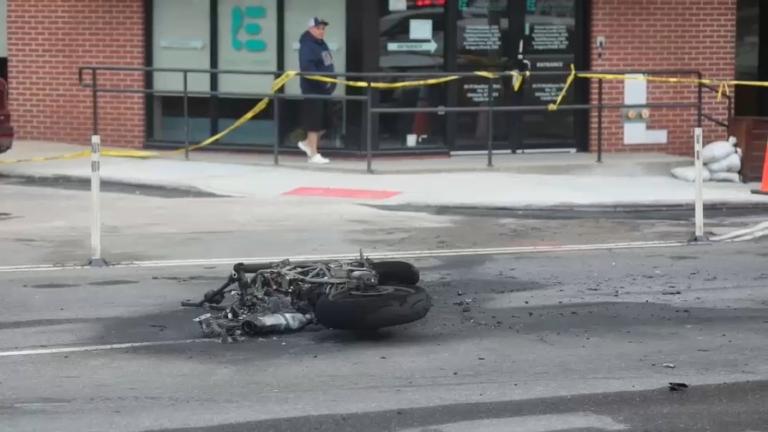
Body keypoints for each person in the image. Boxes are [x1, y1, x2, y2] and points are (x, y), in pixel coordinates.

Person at [297, 17, 336, 164]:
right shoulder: (307, 45)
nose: (321, 31)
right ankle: (313, 154)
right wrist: (323, 82)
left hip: (325, 89)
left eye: (323, 28)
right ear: (310, 29)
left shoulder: (321, 43)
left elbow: (328, 62)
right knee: (314, 123)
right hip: (313, 89)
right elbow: (307, 68)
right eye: (318, 28)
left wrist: (331, 83)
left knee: (325, 122)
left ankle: (307, 144)